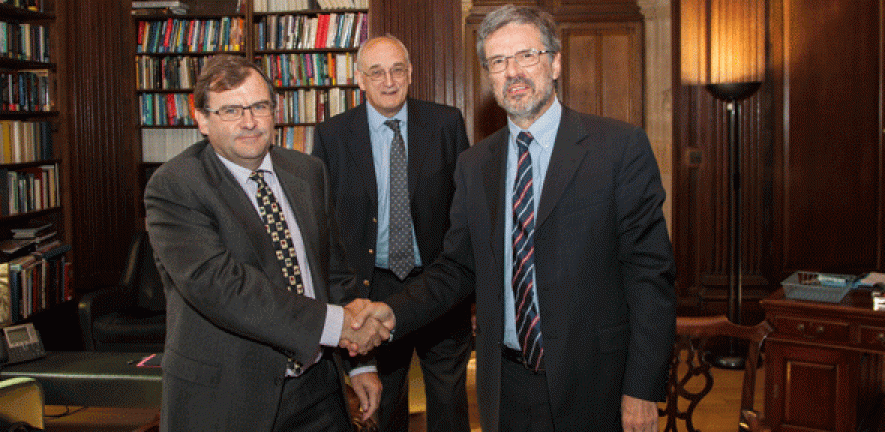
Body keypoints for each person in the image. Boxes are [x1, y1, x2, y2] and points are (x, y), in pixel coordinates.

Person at [351, 5, 676, 432]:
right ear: (488, 75)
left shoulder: (618, 149)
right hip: (504, 384)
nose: (513, 72)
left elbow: (650, 276)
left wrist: (642, 387)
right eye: (498, 61)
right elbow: (456, 268)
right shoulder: (475, 164)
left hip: (596, 384)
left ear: (555, 62)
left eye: (527, 55)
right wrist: (391, 313)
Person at [144, 54, 389, 432]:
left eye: (259, 106)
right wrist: (337, 325)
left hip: (318, 390)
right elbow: (223, 288)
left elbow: (336, 274)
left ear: (275, 111)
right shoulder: (176, 186)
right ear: (202, 120)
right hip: (230, 399)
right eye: (230, 110)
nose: (249, 121)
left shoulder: (306, 171)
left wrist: (361, 362)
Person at [312, 35, 473, 432]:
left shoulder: (446, 123)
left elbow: (464, 209)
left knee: (449, 401)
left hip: (438, 285)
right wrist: (344, 297)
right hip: (373, 290)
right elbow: (324, 223)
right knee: (384, 402)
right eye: (377, 72)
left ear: (411, 74)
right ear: (360, 80)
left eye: (397, 69)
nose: (389, 81)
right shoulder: (333, 135)